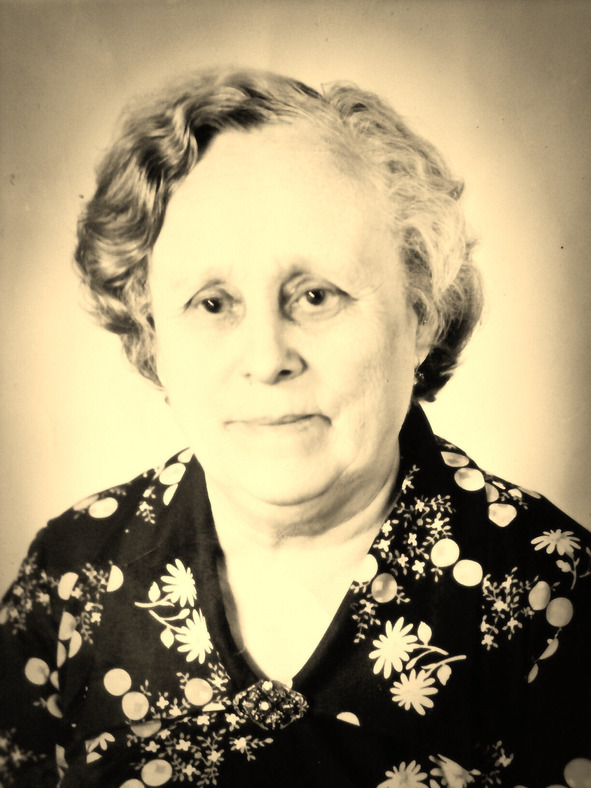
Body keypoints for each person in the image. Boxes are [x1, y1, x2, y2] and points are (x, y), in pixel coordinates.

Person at [0, 67, 589, 788]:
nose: (267, 358)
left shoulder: (555, 599)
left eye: (315, 296)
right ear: (152, 337)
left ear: (420, 316)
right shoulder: (69, 576)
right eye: (212, 303)